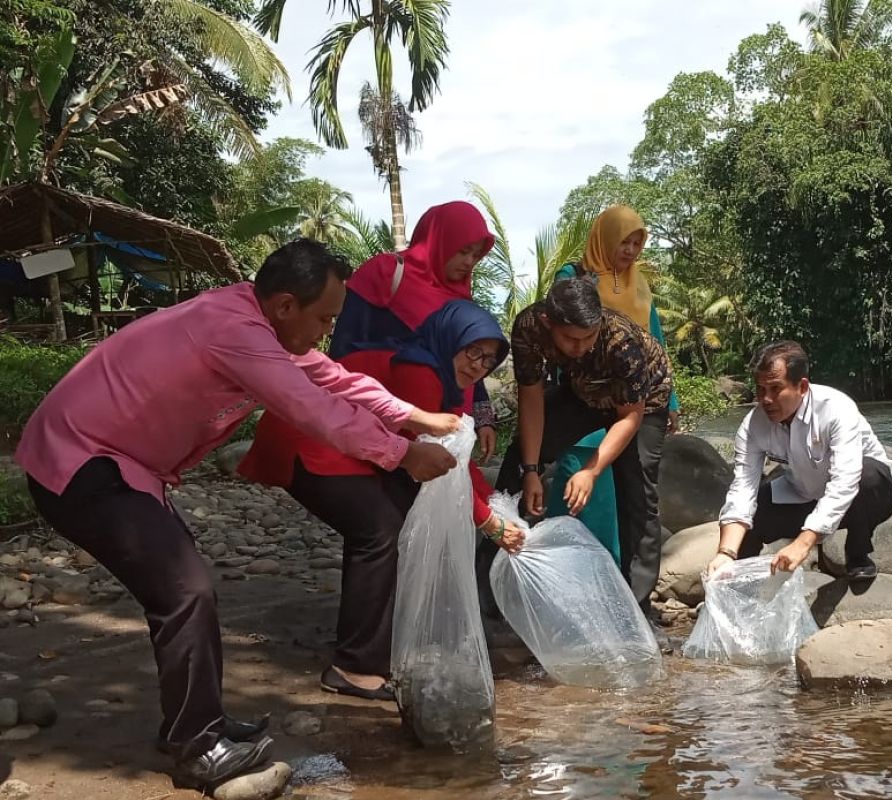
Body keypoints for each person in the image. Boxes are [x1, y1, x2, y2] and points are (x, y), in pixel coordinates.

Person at [14, 239, 459, 791]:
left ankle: (196, 723)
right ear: (286, 306)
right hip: (80, 459)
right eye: (324, 317)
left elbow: (334, 378)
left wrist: (415, 416)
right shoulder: (234, 330)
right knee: (186, 591)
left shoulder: (259, 323)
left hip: (123, 466)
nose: (326, 330)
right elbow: (310, 405)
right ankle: (198, 747)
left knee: (183, 592)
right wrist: (402, 452)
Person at [238, 299, 524, 700]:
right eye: (472, 352)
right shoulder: (420, 371)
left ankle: (381, 642)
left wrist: (496, 507)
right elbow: (436, 457)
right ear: (451, 340)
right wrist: (490, 523)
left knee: (397, 522)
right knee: (380, 531)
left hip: (355, 445)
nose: (478, 365)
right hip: (310, 442)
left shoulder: (447, 378)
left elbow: (454, 458)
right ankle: (354, 667)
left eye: (488, 360)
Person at [492, 278, 673, 613]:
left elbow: (629, 417)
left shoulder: (621, 341)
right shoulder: (530, 328)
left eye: (588, 337)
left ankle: (636, 605)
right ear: (549, 322)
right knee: (519, 459)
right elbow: (531, 398)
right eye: (570, 339)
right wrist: (531, 470)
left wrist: (592, 470)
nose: (580, 347)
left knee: (637, 489)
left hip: (643, 404)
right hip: (584, 392)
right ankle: (493, 586)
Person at [547, 205, 682, 561]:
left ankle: (637, 597)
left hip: (642, 395)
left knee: (639, 489)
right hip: (588, 394)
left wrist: (672, 400)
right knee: (581, 469)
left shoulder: (639, 282)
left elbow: (656, 341)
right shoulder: (576, 275)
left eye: (638, 243)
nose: (631, 251)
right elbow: (560, 330)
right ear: (606, 238)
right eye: (625, 241)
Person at [706, 341, 892, 582]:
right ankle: (740, 587)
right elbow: (742, 489)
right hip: (804, 494)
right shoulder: (753, 425)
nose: (766, 400)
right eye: (760, 390)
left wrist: (803, 544)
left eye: (775, 389)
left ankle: (858, 553)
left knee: (867, 476)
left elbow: (845, 482)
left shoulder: (836, 409)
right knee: (753, 512)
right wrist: (726, 552)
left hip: (870, 495)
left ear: (803, 387)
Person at [329, 201, 503, 460]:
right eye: (463, 251)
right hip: (382, 417)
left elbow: (473, 360)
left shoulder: (462, 300)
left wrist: (483, 419)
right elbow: (344, 345)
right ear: (441, 241)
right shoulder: (386, 272)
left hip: (445, 425)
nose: (469, 262)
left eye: (476, 256)